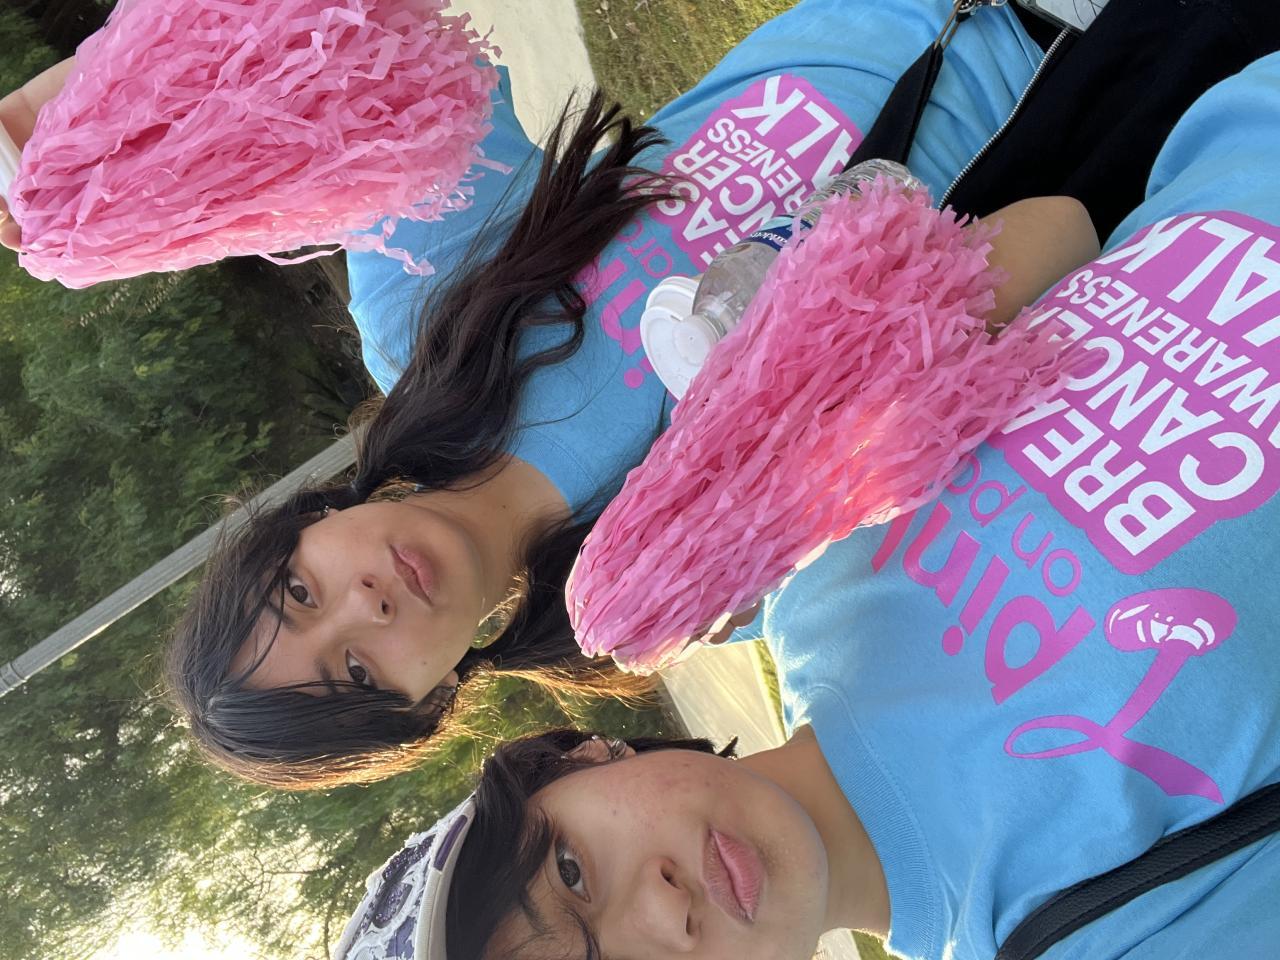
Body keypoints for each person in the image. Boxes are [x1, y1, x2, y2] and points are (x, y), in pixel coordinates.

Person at [332, 50, 1280, 960]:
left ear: (575, 762)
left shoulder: (804, 576)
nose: (660, 909)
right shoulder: (1080, 931)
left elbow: (1064, 231)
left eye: (571, 872)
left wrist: (802, 396)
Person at [2, 0, 1089, 789]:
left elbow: (348, 42)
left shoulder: (428, 315)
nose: (363, 606)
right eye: (357, 673)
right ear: (431, 702)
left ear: (306, 524)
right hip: (1102, 119)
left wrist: (79, 120)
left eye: (300, 590)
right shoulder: (679, 582)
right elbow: (977, 376)